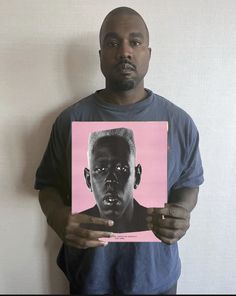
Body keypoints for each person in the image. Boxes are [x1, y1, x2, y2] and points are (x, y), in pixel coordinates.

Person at [35, 6, 204, 295]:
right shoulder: (70, 120)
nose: (124, 51)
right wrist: (57, 216)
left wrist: (182, 213)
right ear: (100, 55)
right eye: (113, 43)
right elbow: (48, 186)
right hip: (89, 279)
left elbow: (189, 185)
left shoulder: (179, 123)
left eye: (135, 42)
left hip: (157, 280)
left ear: (148, 53)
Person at [81, 127, 148, 233]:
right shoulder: (78, 225)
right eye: (101, 169)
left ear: (137, 176)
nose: (110, 180)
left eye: (121, 169)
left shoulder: (154, 224)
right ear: (88, 179)